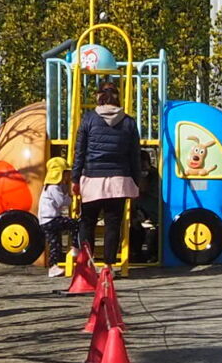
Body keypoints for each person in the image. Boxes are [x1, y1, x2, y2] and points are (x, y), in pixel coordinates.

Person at [72, 79, 144, 266]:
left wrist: (74, 178)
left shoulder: (88, 118)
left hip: (92, 179)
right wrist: (136, 181)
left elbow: (80, 151)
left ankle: (87, 263)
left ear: (99, 96)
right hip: (119, 181)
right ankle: (109, 266)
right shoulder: (128, 122)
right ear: (117, 97)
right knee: (113, 224)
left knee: (87, 222)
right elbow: (134, 155)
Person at [37, 157, 80, 276]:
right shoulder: (53, 187)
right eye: (66, 174)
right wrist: (70, 197)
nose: (68, 177)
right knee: (76, 223)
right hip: (51, 219)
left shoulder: (51, 187)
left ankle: (53, 267)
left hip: (46, 220)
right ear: (59, 174)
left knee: (55, 243)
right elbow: (63, 202)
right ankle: (75, 247)